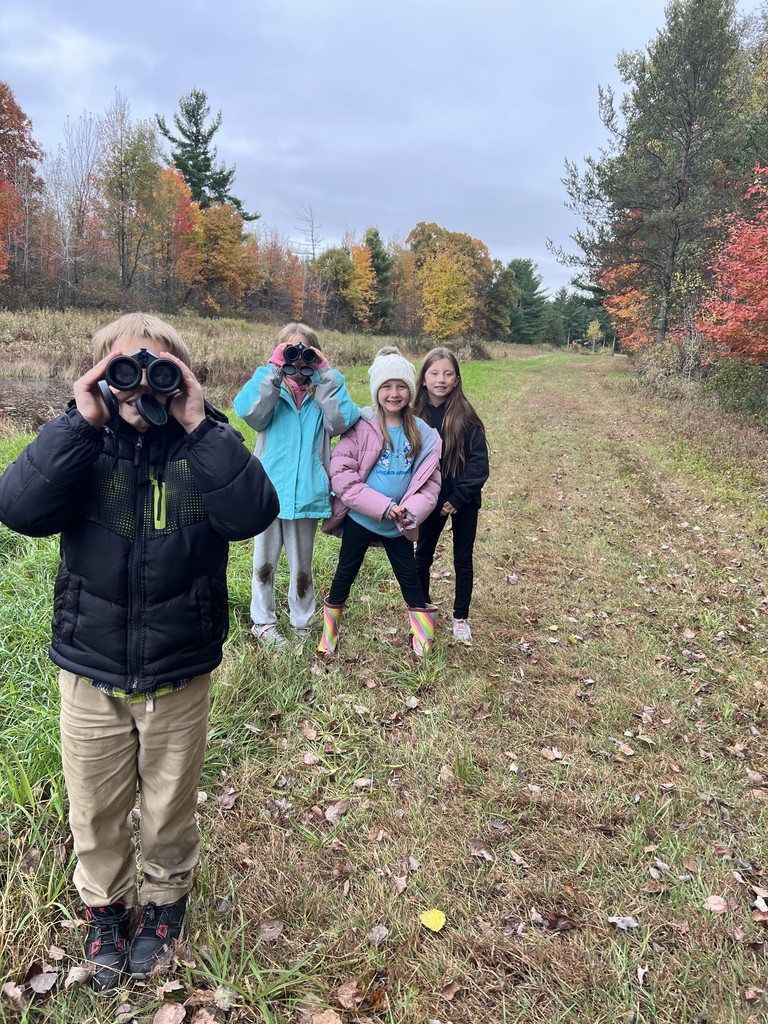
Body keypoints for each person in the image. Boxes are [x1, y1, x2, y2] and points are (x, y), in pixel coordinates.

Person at [0, 313, 278, 992]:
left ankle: (163, 902)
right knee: (92, 806)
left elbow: (253, 514)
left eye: (160, 369)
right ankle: (105, 907)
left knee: (169, 804)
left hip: (179, 668)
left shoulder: (205, 445)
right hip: (90, 669)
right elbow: (18, 508)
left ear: (182, 375)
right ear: (100, 375)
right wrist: (80, 418)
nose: (140, 384)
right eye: (122, 369)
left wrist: (197, 420)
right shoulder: (81, 447)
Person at [233, 323, 359, 650]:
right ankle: (263, 623)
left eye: (306, 352)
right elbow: (249, 412)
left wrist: (326, 375)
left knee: (302, 566)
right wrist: (273, 372)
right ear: (278, 354)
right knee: (263, 563)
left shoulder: (323, 394)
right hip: (267, 492)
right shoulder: (270, 390)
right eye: (290, 351)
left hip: (307, 493)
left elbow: (342, 422)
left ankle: (302, 623)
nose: (298, 360)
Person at [318, 346, 441, 659]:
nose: (394, 393)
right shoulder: (362, 426)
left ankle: (423, 636)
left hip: (398, 525)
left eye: (401, 386)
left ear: (410, 391)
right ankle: (329, 633)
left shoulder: (423, 433)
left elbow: (430, 484)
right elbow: (343, 476)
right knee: (344, 574)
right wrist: (382, 506)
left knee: (409, 579)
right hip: (362, 518)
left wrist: (410, 512)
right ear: (377, 391)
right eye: (387, 386)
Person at [413, 347, 489, 643]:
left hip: (463, 501)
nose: (440, 379)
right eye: (434, 373)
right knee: (422, 557)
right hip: (428, 499)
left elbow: (479, 465)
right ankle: (421, 611)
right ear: (423, 378)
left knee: (463, 559)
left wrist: (457, 499)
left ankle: (461, 617)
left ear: (456, 379)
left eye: (447, 374)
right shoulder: (413, 414)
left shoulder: (466, 415)